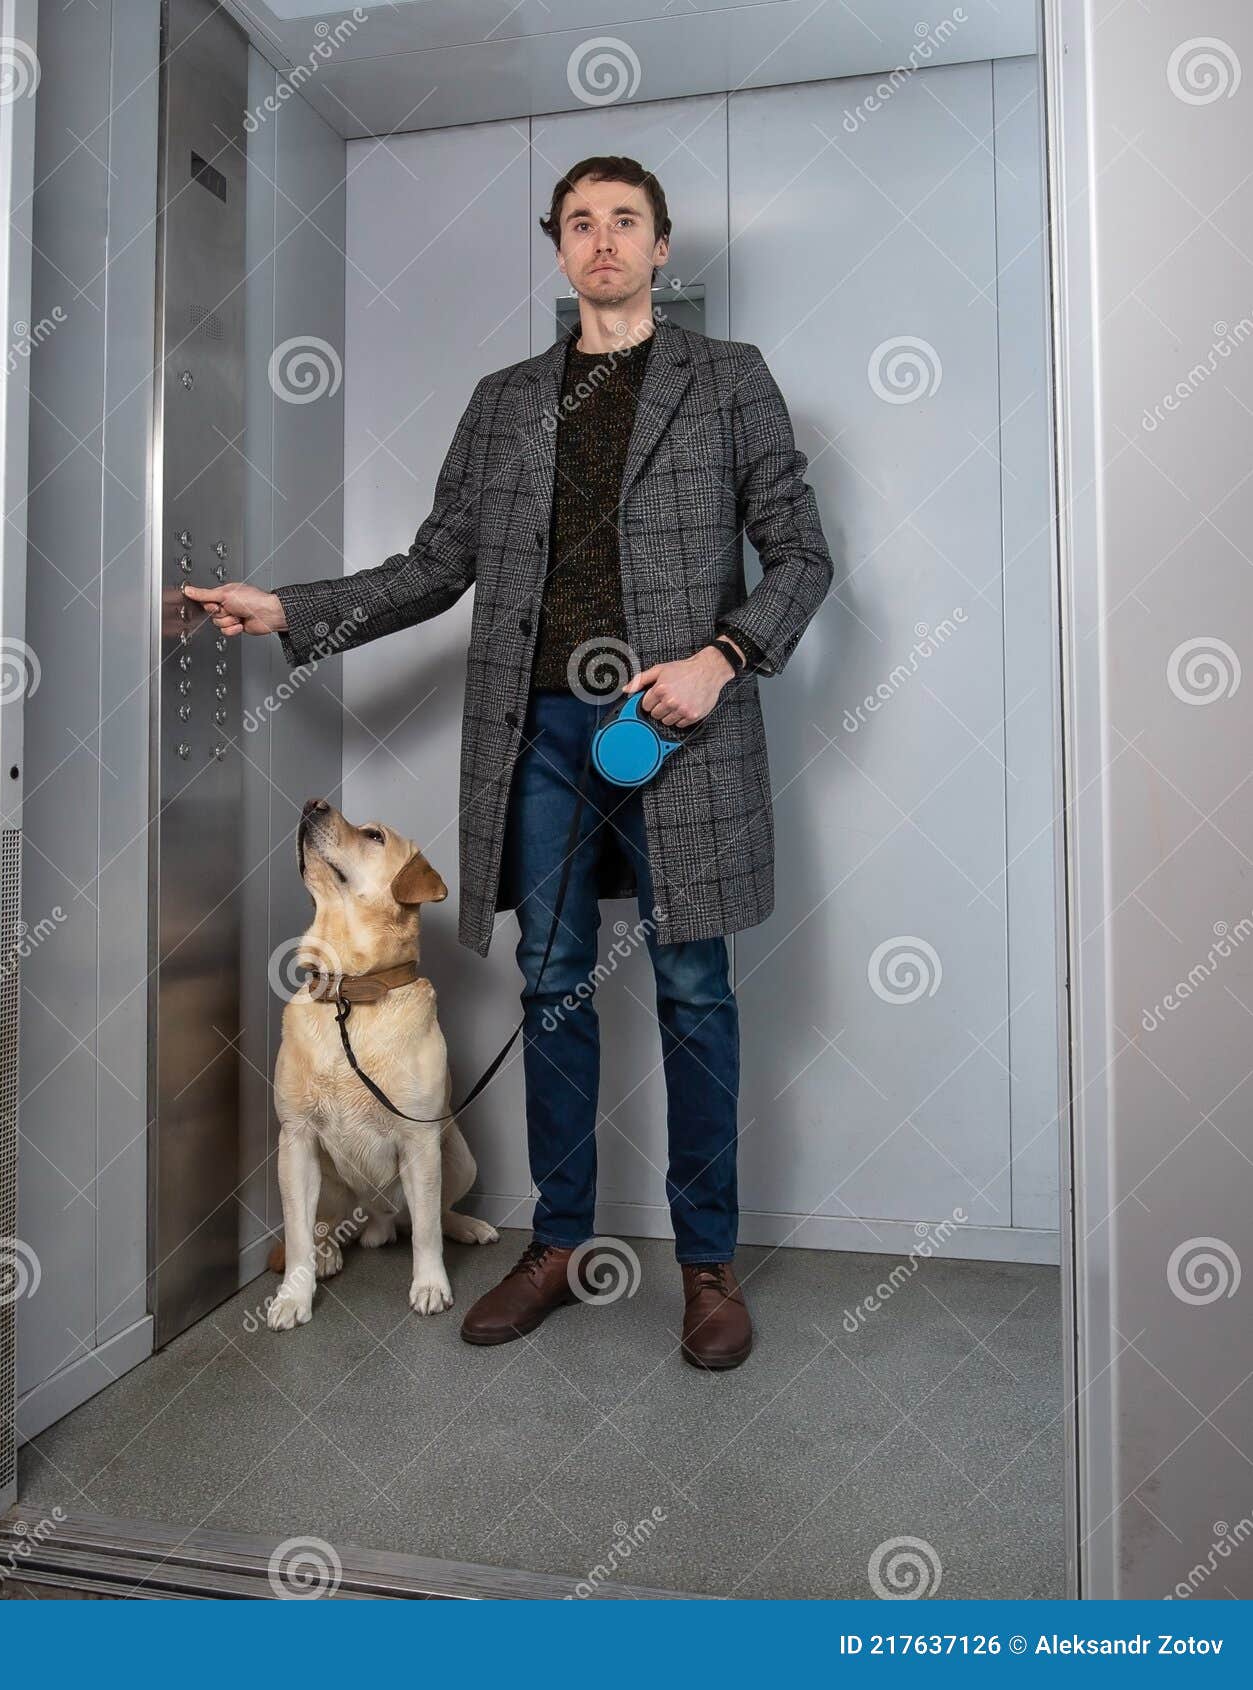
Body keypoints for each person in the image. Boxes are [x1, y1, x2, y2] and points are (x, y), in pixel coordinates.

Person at [187, 156, 834, 1371]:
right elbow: (434, 566)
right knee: (552, 989)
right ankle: (558, 1243)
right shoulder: (503, 401)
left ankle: (706, 1267)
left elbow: (801, 552)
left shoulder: (731, 380)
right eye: (579, 223)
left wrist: (722, 654)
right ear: (556, 248)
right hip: (538, 736)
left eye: (623, 222)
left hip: (678, 729)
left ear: (659, 243)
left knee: (696, 993)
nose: (601, 241)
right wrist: (287, 608)